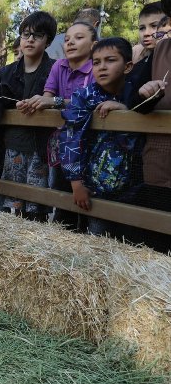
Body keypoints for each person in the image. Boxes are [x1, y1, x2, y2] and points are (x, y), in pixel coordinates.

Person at [0, 11, 57, 219]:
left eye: (37, 35)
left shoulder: (56, 69)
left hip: (43, 149)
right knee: (10, 207)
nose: (30, 39)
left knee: (36, 209)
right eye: (25, 34)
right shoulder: (5, 74)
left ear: (47, 41)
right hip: (12, 148)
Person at [59, 37, 143, 239]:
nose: (102, 67)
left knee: (130, 242)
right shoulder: (84, 96)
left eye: (110, 60)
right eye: (96, 62)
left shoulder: (136, 94)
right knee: (97, 240)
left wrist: (126, 111)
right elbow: (70, 136)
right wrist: (76, 183)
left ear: (128, 66)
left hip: (134, 189)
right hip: (94, 188)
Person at [19, 21, 97, 231]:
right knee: (62, 202)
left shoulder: (98, 68)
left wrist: (55, 102)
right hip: (62, 145)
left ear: (93, 45)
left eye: (79, 38)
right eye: (67, 39)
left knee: (91, 207)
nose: (70, 42)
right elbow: (47, 97)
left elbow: (92, 102)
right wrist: (32, 103)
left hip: (91, 146)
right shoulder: (58, 66)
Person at [129, 0, 171, 253]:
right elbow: (135, 102)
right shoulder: (160, 51)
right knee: (158, 245)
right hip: (161, 164)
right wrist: (145, 94)